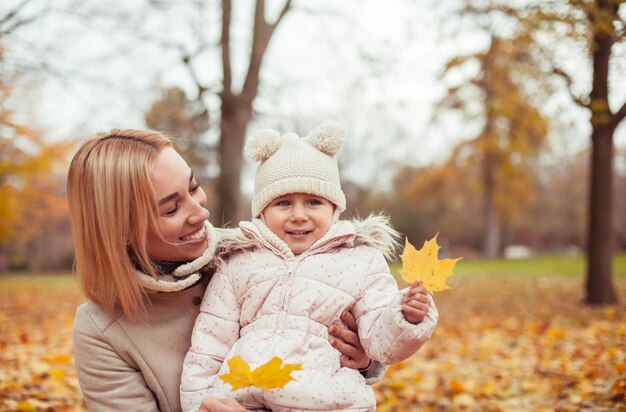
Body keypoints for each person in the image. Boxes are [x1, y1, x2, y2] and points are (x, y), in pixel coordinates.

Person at [67, 129, 384, 412]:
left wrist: (363, 357)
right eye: (171, 208)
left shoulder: (251, 255)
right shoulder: (100, 330)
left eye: (193, 187)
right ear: (122, 231)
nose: (201, 211)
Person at [180, 126, 438, 411]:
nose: (299, 215)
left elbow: (381, 342)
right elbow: (209, 345)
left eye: (313, 202)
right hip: (245, 398)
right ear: (262, 212)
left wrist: (405, 316)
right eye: (283, 203)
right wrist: (198, 406)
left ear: (334, 208)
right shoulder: (239, 262)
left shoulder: (361, 261)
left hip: (328, 401)